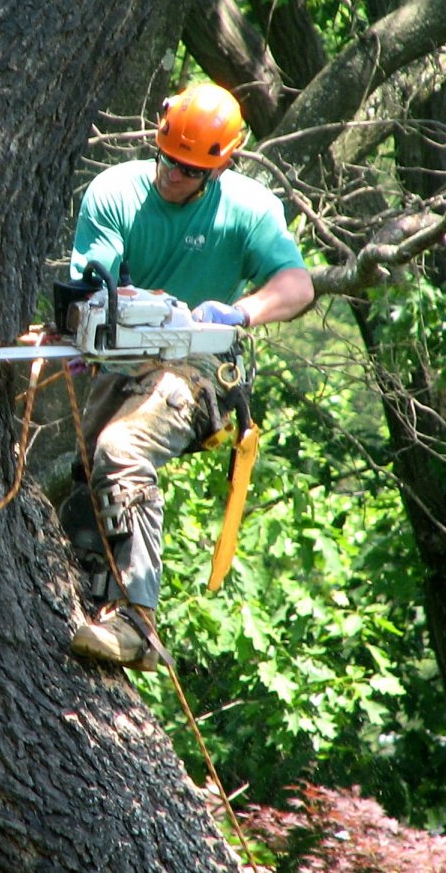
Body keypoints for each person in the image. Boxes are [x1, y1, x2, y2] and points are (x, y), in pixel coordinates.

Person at [64, 82, 314, 671]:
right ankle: (89, 596)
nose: (174, 176)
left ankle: (137, 622)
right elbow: (91, 278)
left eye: (189, 170)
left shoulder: (248, 209)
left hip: (197, 370)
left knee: (123, 449)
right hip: (124, 360)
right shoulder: (115, 193)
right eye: (169, 161)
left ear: (218, 167)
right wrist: (90, 320)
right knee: (87, 477)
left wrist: (242, 311)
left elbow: (297, 284)